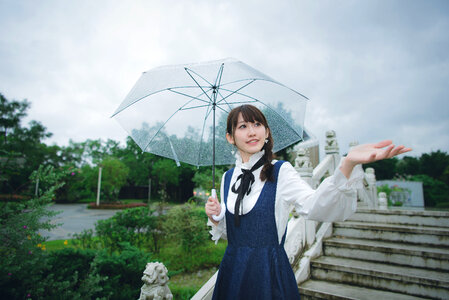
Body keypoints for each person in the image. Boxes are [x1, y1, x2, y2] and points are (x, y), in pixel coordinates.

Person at [205, 105, 411, 300]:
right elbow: (234, 233)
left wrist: (347, 164)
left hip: (267, 273)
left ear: (267, 133)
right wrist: (216, 217)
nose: (252, 132)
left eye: (257, 125)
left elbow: (314, 204)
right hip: (232, 271)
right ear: (230, 138)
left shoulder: (280, 171)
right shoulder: (228, 177)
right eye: (243, 126)